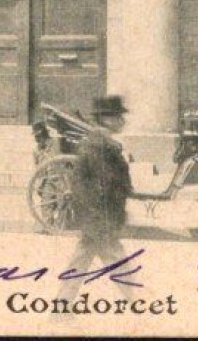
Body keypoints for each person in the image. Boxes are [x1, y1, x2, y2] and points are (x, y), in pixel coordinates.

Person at [56, 95, 134, 305]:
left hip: (97, 217)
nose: (122, 121)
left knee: (82, 262)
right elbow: (104, 184)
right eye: (118, 116)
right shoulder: (99, 146)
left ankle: (60, 308)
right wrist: (105, 217)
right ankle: (141, 305)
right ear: (106, 119)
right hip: (100, 217)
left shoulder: (101, 143)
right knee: (117, 262)